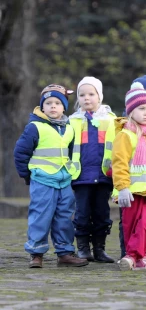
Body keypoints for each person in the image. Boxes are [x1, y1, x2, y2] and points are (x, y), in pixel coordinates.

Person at [13, 84, 89, 268]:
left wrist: (71, 174)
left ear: (64, 107)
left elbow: (71, 153)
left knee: (64, 217)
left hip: (64, 180)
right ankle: (36, 253)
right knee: (41, 216)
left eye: (57, 103)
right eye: (48, 103)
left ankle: (64, 253)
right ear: (42, 107)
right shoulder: (35, 127)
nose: (53, 106)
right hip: (42, 179)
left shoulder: (69, 128)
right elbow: (20, 153)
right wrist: (27, 176)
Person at [113, 83, 146, 271]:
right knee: (131, 225)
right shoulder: (125, 135)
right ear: (131, 110)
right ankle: (138, 257)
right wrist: (122, 187)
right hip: (132, 190)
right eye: (141, 108)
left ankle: (132, 256)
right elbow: (119, 163)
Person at [69, 76, 116, 263]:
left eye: (91, 94)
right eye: (82, 94)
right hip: (80, 176)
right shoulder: (72, 122)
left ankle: (99, 248)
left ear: (100, 96)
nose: (86, 98)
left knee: (102, 214)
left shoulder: (111, 120)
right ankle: (82, 248)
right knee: (81, 214)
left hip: (104, 174)